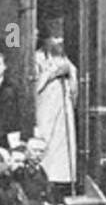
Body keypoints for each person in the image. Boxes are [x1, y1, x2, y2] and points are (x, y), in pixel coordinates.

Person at [33, 33, 78, 190]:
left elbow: (74, 88)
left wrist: (70, 73)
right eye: (55, 38)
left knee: (63, 147)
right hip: (45, 108)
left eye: (61, 39)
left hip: (63, 109)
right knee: (46, 142)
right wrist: (52, 74)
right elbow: (34, 87)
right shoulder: (36, 58)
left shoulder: (65, 59)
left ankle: (63, 182)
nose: (59, 42)